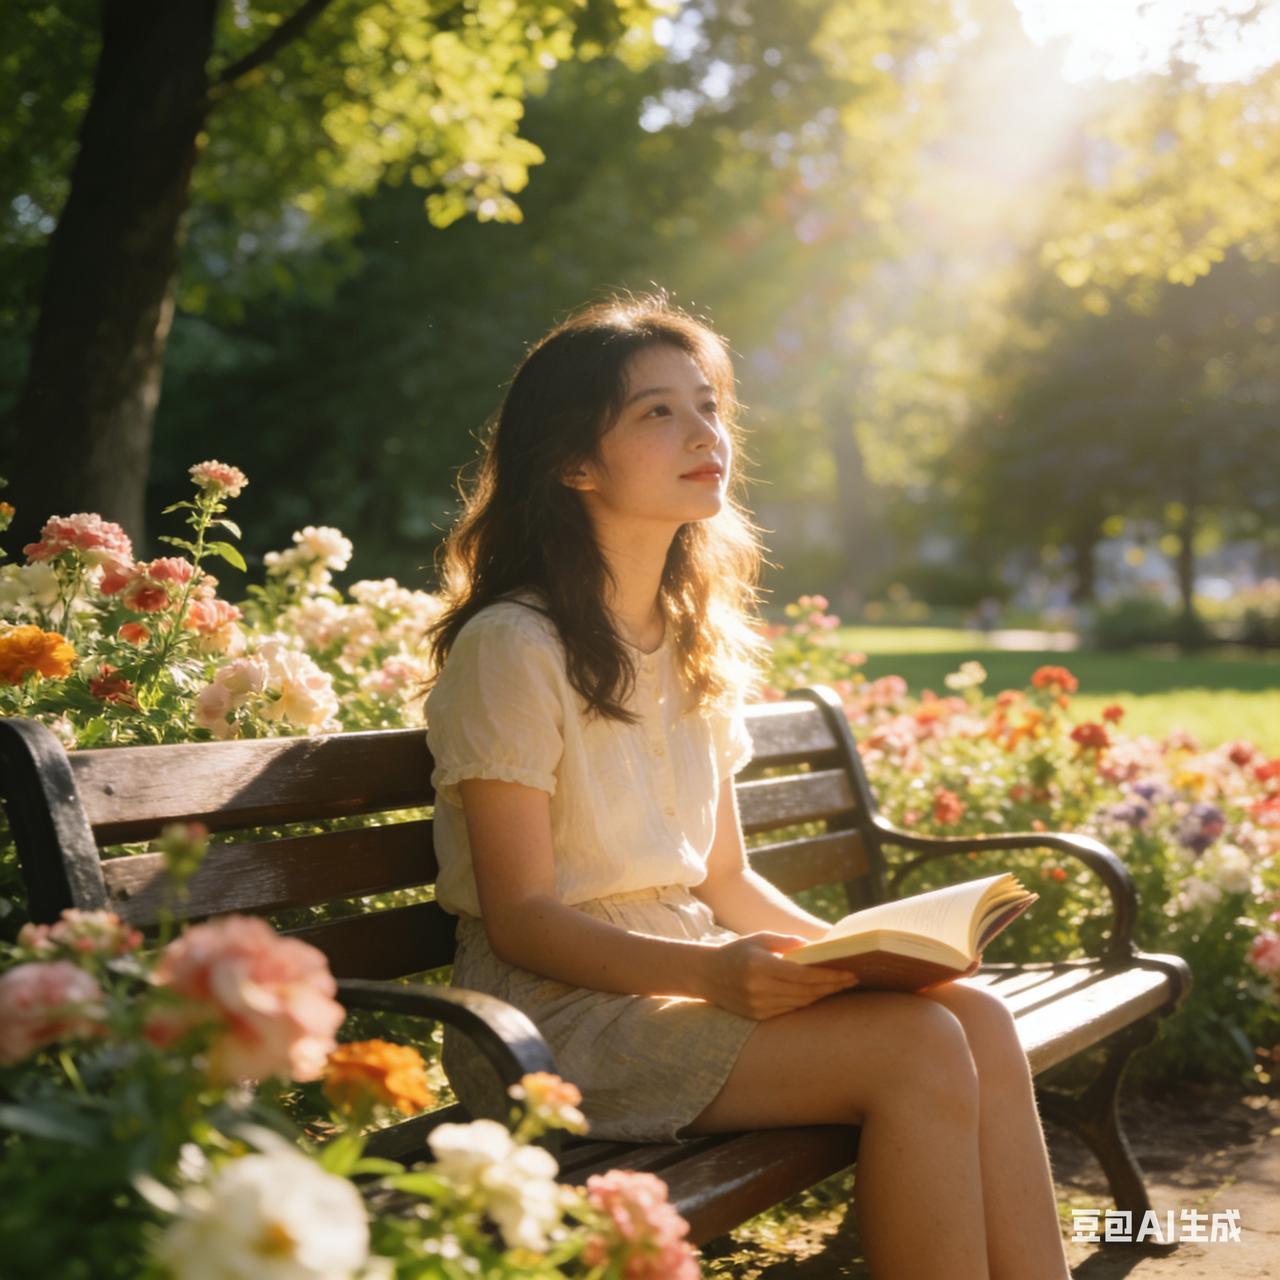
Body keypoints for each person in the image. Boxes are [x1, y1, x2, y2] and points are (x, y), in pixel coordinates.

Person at [422, 292, 1071, 1280]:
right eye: (656, 412)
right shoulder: (511, 645)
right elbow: (519, 917)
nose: (703, 433)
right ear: (573, 462)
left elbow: (725, 881)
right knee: (916, 1052)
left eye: (707, 405)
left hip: (682, 977)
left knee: (969, 1014)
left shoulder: (688, 640)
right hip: (547, 1022)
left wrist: (859, 956)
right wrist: (715, 974)